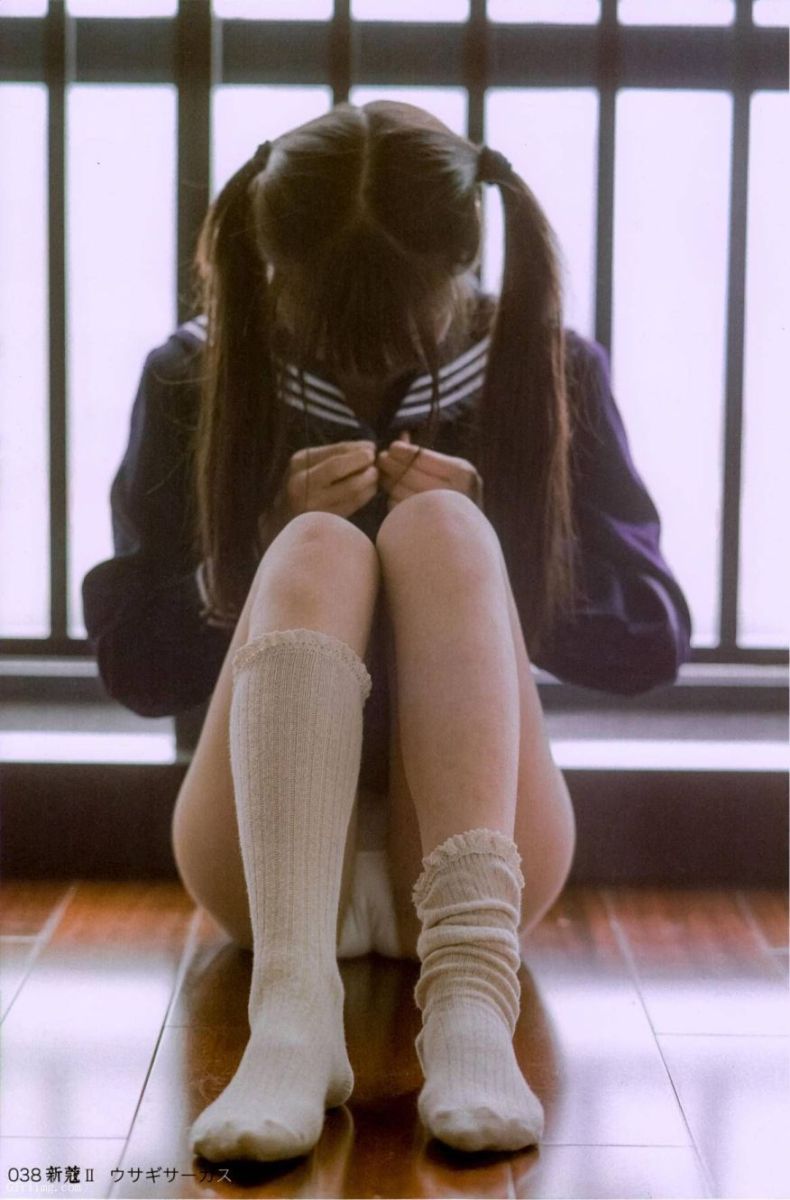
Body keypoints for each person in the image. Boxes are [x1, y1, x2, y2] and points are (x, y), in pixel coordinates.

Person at [81, 100, 693, 1163]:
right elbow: (132, 662)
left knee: (448, 531)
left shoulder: (547, 365)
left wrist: (502, 549)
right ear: (270, 268)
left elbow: (651, 640)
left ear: (464, 266)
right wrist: (253, 553)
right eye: (335, 326)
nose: (365, 360)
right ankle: (290, 1011)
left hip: (479, 861)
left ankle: (470, 1003)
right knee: (314, 547)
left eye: (397, 329)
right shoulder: (193, 372)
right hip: (264, 873)